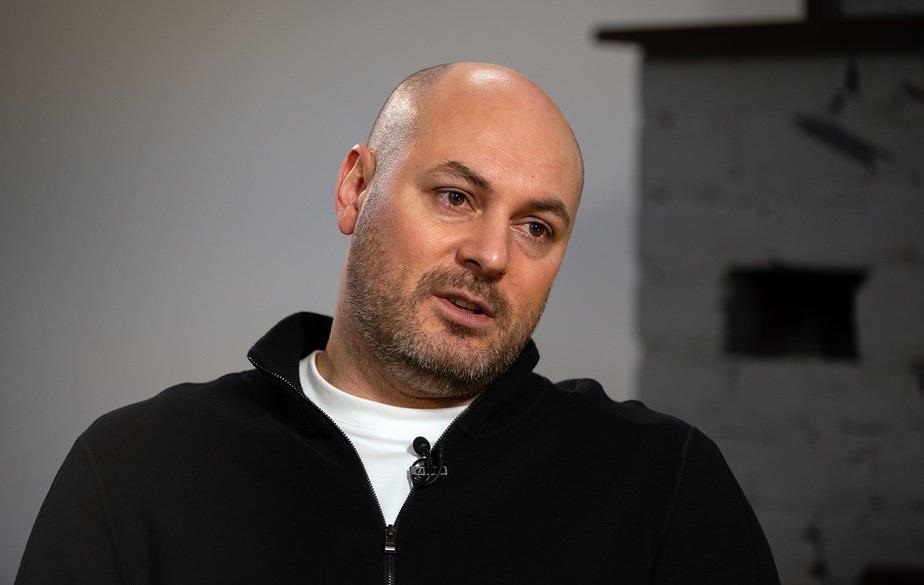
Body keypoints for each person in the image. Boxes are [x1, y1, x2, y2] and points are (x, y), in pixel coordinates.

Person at [16, 62, 779, 585]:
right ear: (356, 188)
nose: (491, 254)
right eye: (456, 196)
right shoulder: (138, 466)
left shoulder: (663, 481)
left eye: (536, 228)